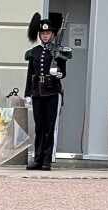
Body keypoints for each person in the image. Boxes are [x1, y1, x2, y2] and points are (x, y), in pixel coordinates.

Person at [24, 12, 68, 171]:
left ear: (53, 34)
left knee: (50, 127)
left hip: (52, 92)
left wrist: (59, 74)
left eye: (48, 33)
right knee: (39, 127)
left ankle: (47, 160)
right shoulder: (34, 52)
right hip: (38, 92)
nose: (45, 36)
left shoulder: (59, 51)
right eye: (43, 33)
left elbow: (63, 72)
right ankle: (38, 158)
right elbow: (30, 74)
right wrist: (28, 93)